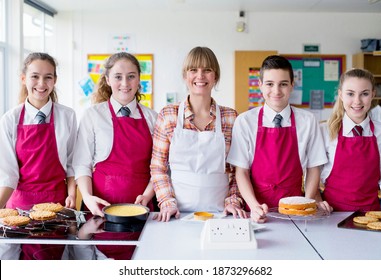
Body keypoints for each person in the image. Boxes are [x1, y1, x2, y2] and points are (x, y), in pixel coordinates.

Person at [72, 52, 157, 259]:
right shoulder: (93, 115)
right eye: (118, 76)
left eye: (131, 76)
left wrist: (147, 195)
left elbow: (161, 167)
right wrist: (88, 197)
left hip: (142, 211)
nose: (125, 83)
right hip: (100, 211)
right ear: (108, 79)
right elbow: (81, 163)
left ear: (139, 79)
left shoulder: (153, 118)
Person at [227, 55, 330, 223]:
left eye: (283, 84)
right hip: (257, 212)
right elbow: (242, 172)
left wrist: (306, 204)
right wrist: (254, 207)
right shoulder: (245, 121)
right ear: (260, 85)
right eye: (269, 84)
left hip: (296, 213)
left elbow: (314, 168)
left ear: (291, 86)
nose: (276, 91)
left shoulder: (308, 120)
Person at [151, 46, 246, 222]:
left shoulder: (231, 117)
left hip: (222, 215)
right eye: (193, 70)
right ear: (185, 76)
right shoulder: (168, 115)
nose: (200, 76)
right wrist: (167, 202)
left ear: (215, 76)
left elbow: (239, 170)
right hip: (176, 213)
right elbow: (158, 167)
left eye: (207, 70)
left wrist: (233, 201)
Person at [0, 52, 77, 259]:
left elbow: (71, 164)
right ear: (24, 78)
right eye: (35, 76)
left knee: (49, 260)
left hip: (55, 204)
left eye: (48, 77)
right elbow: (8, 175)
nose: (41, 83)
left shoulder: (67, 116)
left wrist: (71, 195)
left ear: (55, 80)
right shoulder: (10, 119)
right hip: (18, 205)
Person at [320, 68, 381, 211]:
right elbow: (313, 175)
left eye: (364, 94)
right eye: (350, 94)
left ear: (373, 95)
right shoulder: (325, 131)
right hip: (330, 213)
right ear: (341, 95)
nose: (357, 101)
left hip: (370, 214)